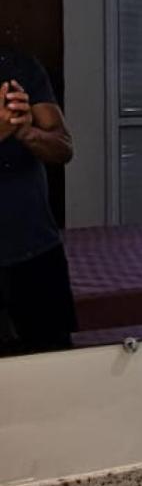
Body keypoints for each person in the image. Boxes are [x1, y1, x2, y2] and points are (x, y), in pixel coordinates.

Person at [0, 49, 77, 354]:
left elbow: (64, 148)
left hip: (38, 251)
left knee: (56, 366)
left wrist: (26, 132)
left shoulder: (21, 67)